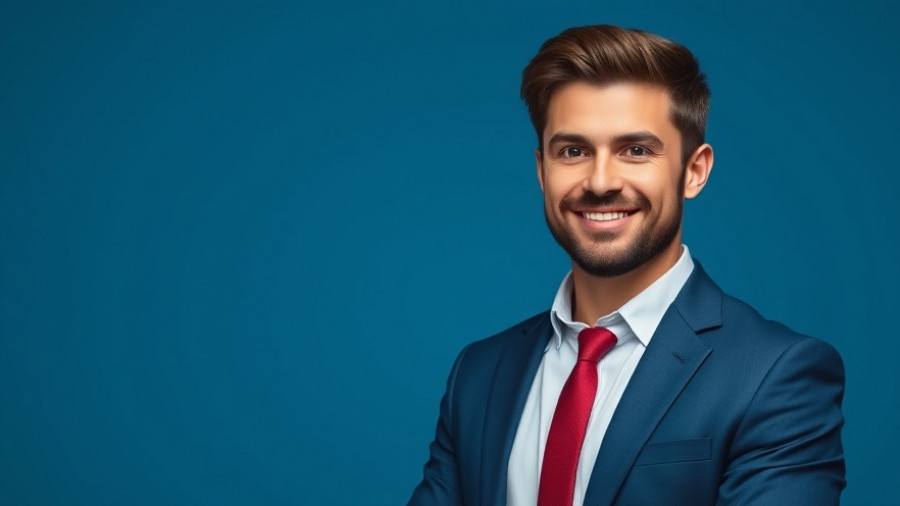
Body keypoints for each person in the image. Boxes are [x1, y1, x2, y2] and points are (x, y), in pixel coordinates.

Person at [407, 24, 845, 506]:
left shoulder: (776, 374)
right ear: (541, 171)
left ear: (693, 172)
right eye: (572, 151)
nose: (599, 181)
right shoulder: (480, 372)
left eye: (636, 150)